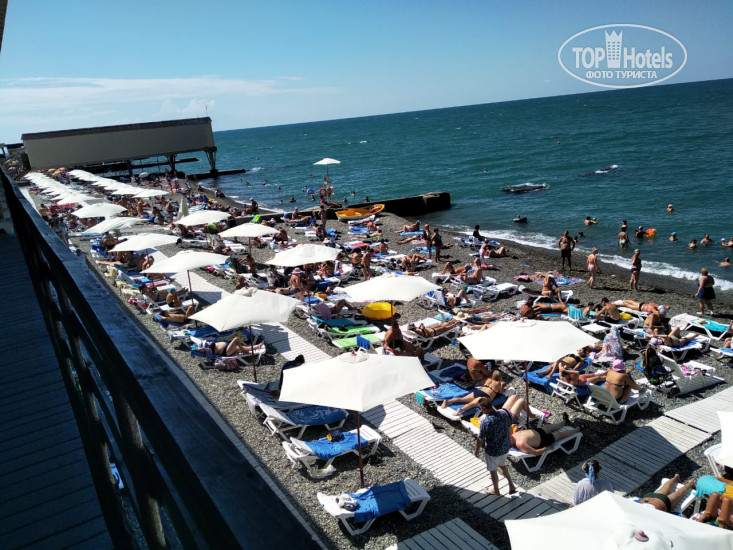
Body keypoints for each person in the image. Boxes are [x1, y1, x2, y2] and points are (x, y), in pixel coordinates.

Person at [474, 395, 523, 496]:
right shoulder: (503, 414)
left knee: (493, 471)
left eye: (480, 408)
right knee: (502, 465)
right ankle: (511, 485)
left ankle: (496, 491)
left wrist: (477, 450)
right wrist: (509, 439)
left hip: (493, 450)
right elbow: (509, 427)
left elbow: (481, 438)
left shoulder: (486, 422)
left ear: (483, 408)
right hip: (504, 447)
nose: (480, 410)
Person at [440, 371, 506, 415]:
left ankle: (447, 401)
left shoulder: (488, 380)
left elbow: (481, 385)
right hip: (485, 396)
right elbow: (500, 392)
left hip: (478, 392)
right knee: (471, 404)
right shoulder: (499, 383)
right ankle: (460, 410)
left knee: (462, 399)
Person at [510, 415, 579, 457]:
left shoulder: (512, 435)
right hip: (543, 440)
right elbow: (535, 452)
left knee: (549, 426)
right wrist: (545, 449)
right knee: (559, 434)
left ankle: (564, 422)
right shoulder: (520, 444)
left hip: (537, 432)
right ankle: (577, 429)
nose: (509, 437)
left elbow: (513, 426)